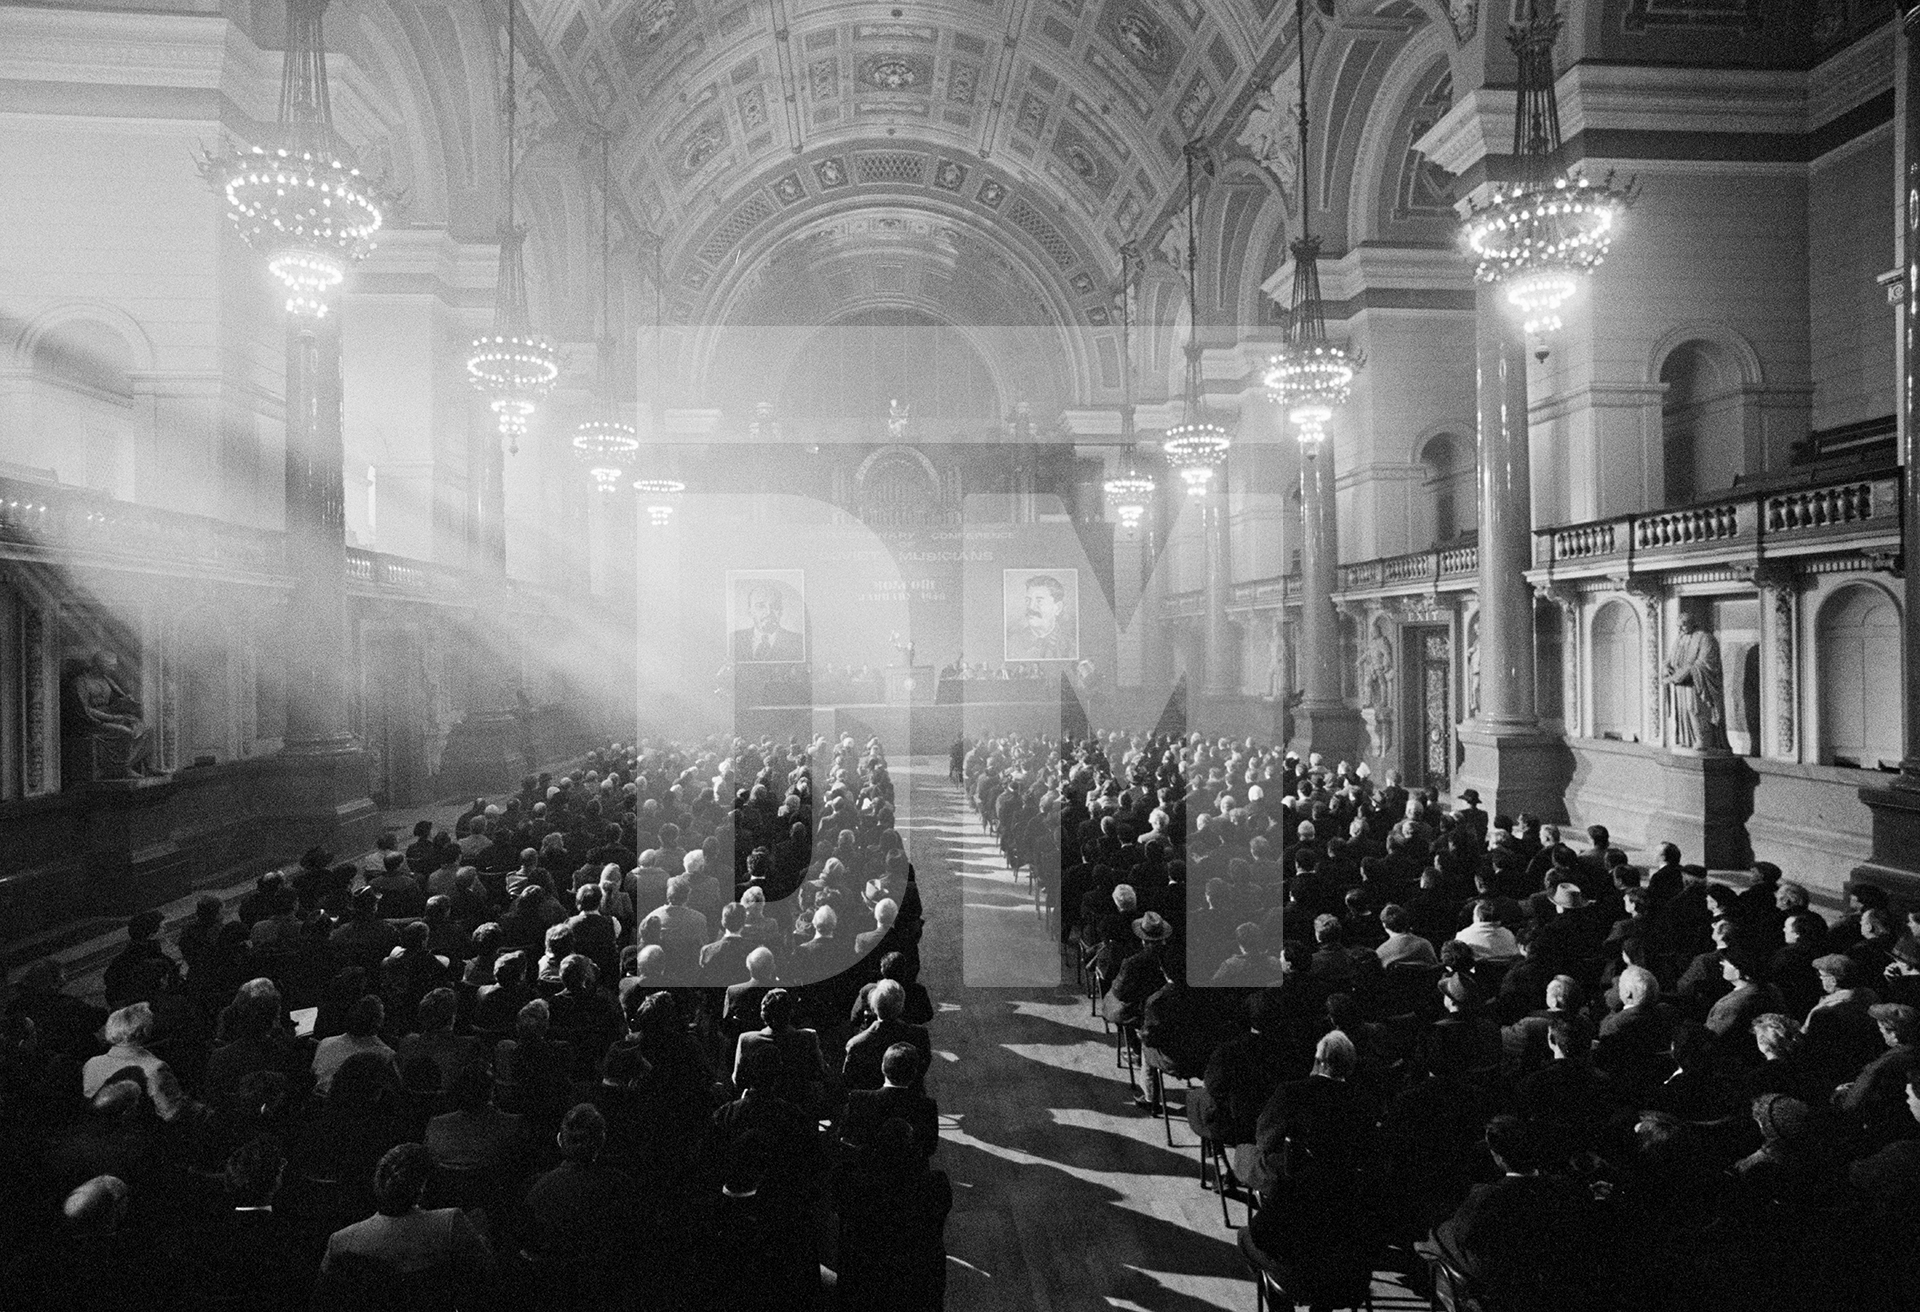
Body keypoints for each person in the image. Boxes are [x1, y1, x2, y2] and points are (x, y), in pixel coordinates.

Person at [312, 1143, 491, 1310]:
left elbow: (321, 1300)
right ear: (424, 1185)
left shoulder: (342, 1241)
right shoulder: (449, 1223)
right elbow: (487, 1277)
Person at [1662, 611, 1728, 751]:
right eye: (1679, 626)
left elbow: (1705, 663)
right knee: (1683, 711)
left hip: (1696, 684)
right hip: (1681, 685)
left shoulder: (1705, 638)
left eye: (1684, 626)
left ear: (1693, 623)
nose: (1680, 629)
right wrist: (1667, 668)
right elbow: (1670, 659)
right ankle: (1688, 739)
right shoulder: (1680, 639)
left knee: (1695, 709)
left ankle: (1703, 740)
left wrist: (1680, 675)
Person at [1005, 573, 1076, 661]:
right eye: (1028, 600)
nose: (1031, 607)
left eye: (1039, 601)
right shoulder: (1010, 644)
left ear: (1057, 608)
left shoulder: (1072, 645)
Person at [732, 580, 805, 662]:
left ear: (781, 611)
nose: (768, 612)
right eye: (760, 606)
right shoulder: (733, 640)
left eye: (774, 606)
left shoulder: (799, 642)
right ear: (750, 612)